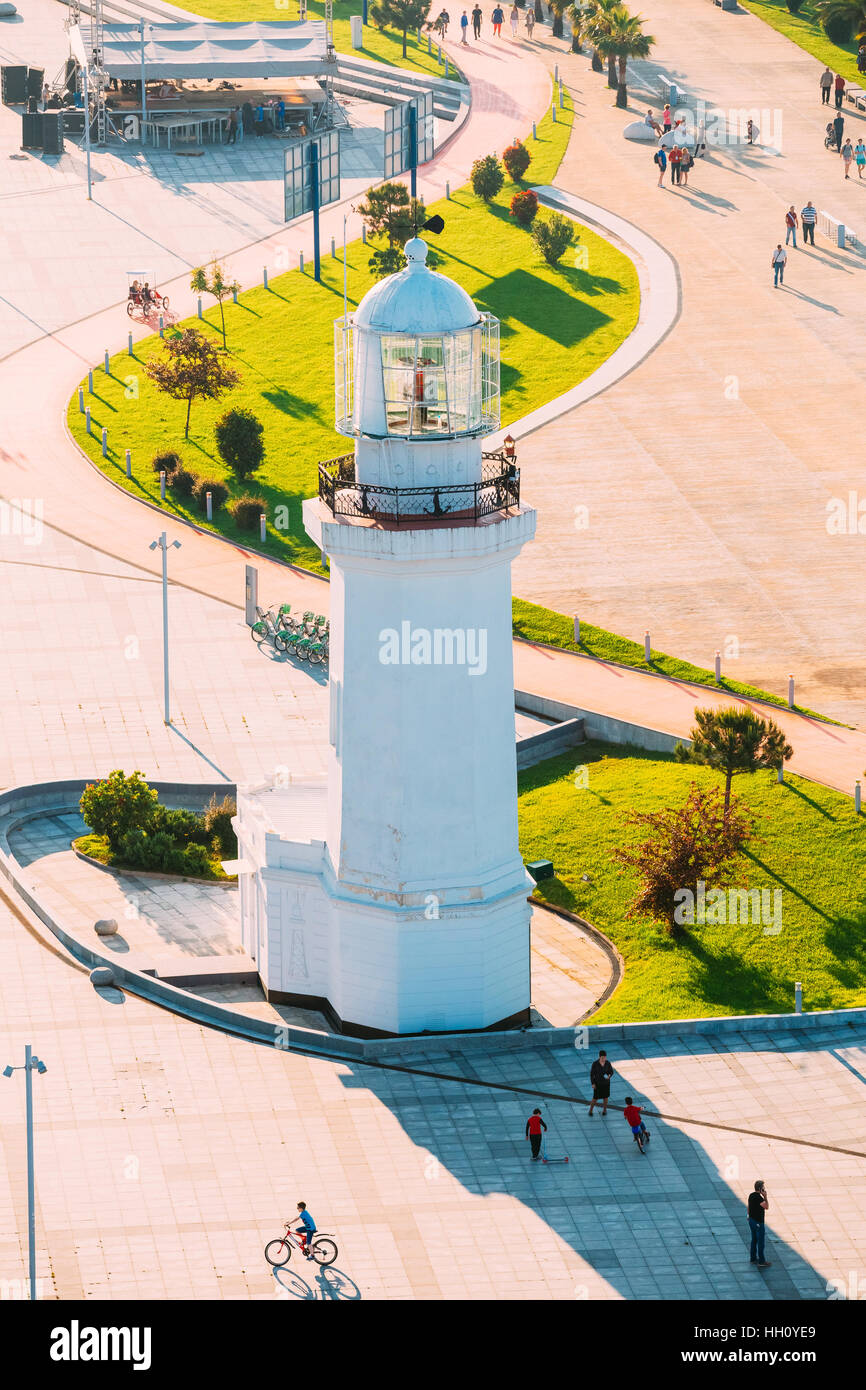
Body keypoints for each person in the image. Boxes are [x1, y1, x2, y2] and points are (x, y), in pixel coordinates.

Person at [747, 1180, 771, 1267]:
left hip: (751, 1220)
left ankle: (753, 1258)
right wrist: (765, 1197)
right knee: (760, 1242)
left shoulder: (751, 1195)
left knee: (754, 1240)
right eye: (763, 1187)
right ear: (761, 1189)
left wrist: (748, 1215)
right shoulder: (759, 1198)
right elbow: (767, 1206)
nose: (764, 1189)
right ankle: (761, 1261)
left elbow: (749, 1206)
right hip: (758, 1223)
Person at [588, 1050, 614, 1117]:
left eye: (605, 1057)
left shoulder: (608, 1063)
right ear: (599, 1057)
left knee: (605, 1097)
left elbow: (611, 1072)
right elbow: (592, 1074)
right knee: (595, 1098)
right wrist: (593, 1083)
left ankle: (604, 1110)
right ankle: (590, 1110)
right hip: (598, 1084)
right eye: (602, 1057)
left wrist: (609, 1076)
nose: (604, 1059)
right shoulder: (595, 1064)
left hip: (606, 1084)